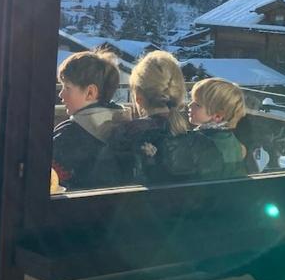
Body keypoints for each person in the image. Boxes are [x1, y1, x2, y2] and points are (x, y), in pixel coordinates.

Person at [99, 50, 190, 185]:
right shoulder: (190, 130)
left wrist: (117, 128)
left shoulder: (126, 134)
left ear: (138, 98)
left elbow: (102, 180)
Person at [53, 50, 130, 189]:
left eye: (67, 87)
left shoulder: (68, 135)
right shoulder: (125, 129)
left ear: (90, 92)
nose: (61, 94)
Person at [158, 77, 250, 182]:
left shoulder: (199, 142)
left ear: (218, 116)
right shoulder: (231, 141)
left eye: (197, 104)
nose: (189, 105)